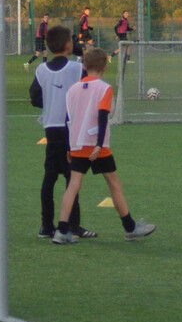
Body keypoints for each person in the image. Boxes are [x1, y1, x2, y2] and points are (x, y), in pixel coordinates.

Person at [53, 48, 155, 244]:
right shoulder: (104, 88)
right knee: (114, 184)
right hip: (97, 145)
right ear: (105, 68)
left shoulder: (72, 90)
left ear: (84, 66)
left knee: (73, 186)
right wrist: (99, 145)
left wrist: (69, 147)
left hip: (77, 144)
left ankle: (62, 230)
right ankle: (130, 228)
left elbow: (68, 119)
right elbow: (101, 116)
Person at [29, 25, 93, 240]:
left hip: (51, 128)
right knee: (72, 176)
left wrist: (51, 103)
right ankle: (72, 225)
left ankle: (46, 226)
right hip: (71, 128)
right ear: (68, 45)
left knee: (50, 176)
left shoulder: (41, 70)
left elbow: (35, 97)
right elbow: (88, 88)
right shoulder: (76, 68)